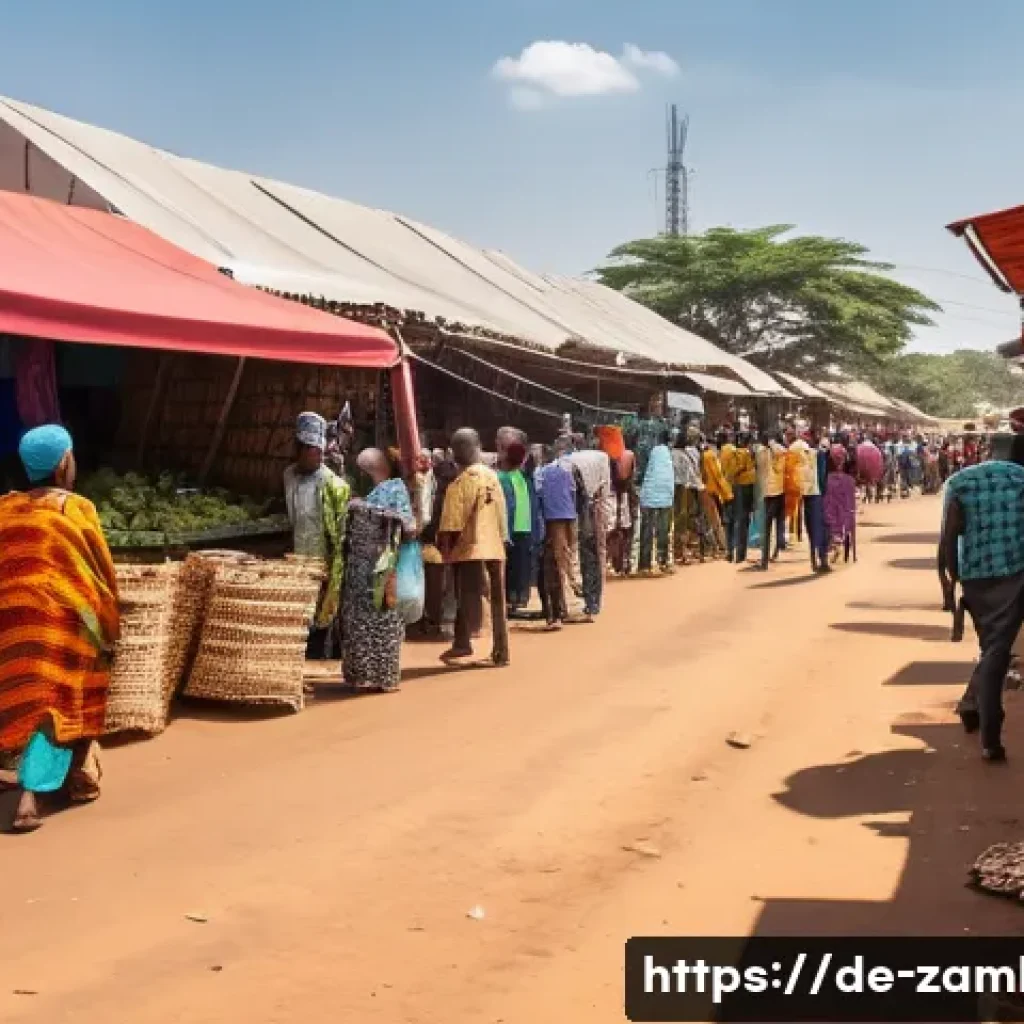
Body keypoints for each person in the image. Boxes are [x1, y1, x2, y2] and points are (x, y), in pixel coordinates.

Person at [0, 425, 119, 832]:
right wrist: (108, 621)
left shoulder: (5, 508)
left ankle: (72, 772)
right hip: (62, 621)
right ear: (64, 463)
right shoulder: (77, 509)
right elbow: (100, 569)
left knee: (16, 696)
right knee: (58, 704)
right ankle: (29, 799)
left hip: (11, 622)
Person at [940, 435, 1024, 763]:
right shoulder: (1020, 480)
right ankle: (990, 735)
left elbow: (948, 538)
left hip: (975, 577)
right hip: (1014, 575)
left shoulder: (960, 482)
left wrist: (952, 582)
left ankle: (973, 707)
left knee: (992, 647)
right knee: (996, 653)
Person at [339, 448, 415, 692]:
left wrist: (366, 510)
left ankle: (375, 676)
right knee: (368, 621)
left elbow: (408, 526)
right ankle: (372, 676)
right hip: (368, 570)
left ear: (368, 472)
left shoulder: (394, 489)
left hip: (378, 569)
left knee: (377, 620)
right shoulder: (384, 490)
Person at [437, 428, 510, 665]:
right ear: (478, 447)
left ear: (454, 453)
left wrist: (446, 549)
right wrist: (504, 538)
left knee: (464, 596)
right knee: (498, 600)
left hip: (468, 548)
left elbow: (452, 522)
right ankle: (500, 650)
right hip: (495, 545)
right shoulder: (492, 476)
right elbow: (502, 511)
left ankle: (464, 643)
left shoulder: (460, 482)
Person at [283, 412, 351, 660]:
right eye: (312, 451)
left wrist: (334, 562)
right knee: (300, 608)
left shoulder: (332, 484)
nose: (318, 456)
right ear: (299, 450)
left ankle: (321, 651)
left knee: (324, 608)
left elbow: (340, 529)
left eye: (319, 451)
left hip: (322, 558)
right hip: (298, 555)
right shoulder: (289, 476)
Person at [535, 436, 581, 627]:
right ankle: (571, 603)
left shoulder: (540, 474)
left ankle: (565, 607)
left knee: (558, 562)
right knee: (569, 557)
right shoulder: (565, 472)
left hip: (553, 519)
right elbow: (573, 492)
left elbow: (538, 495)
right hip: (570, 516)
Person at [571, 439, 613, 619]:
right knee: (598, 554)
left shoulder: (571, 459)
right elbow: (606, 490)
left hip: (579, 512)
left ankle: (588, 598)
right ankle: (595, 600)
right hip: (598, 511)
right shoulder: (602, 458)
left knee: (583, 554)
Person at [497, 439, 538, 616]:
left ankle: (513, 600)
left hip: (514, 530)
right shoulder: (523, 478)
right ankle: (516, 600)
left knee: (514, 567)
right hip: (521, 529)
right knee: (519, 567)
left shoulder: (505, 478)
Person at [791, 432, 829, 571]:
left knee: (811, 528)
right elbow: (823, 476)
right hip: (817, 495)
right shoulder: (819, 454)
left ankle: (814, 559)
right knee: (821, 527)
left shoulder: (800, 454)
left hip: (805, 494)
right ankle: (823, 559)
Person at [639, 428, 675, 574]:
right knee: (663, 530)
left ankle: (644, 565)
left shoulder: (651, 451)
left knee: (646, 530)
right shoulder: (669, 454)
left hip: (649, 494)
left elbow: (644, 470)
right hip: (665, 496)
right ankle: (662, 561)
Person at [722, 432, 757, 563]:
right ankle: (740, 555)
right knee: (742, 522)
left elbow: (728, 472)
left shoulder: (729, 452)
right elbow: (751, 474)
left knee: (730, 521)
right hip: (745, 489)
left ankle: (730, 551)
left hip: (731, 488)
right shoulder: (747, 454)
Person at [756, 434, 787, 569]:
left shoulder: (763, 451)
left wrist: (771, 445)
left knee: (767, 526)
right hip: (779, 491)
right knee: (778, 523)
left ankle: (765, 560)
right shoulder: (780, 451)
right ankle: (775, 551)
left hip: (770, 492)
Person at [823, 443, 857, 564]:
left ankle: (834, 541)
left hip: (831, 505)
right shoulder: (850, 480)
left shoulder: (827, 479)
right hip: (845, 509)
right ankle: (840, 540)